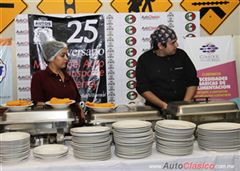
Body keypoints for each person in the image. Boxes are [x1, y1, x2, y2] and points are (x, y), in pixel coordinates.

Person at [136, 25, 199, 111]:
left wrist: (184, 104)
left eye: (176, 41)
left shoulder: (181, 55)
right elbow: (143, 88)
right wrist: (164, 106)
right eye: (172, 43)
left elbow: (192, 81)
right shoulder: (144, 60)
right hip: (155, 109)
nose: (177, 45)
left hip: (182, 107)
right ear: (160, 45)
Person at [31, 40, 84, 122]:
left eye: (66, 55)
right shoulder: (39, 77)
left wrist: (81, 117)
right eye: (62, 55)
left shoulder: (68, 77)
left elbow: (76, 102)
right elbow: (39, 105)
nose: (66, 58)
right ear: (52, 57)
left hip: (74, 123)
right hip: (52, 124)